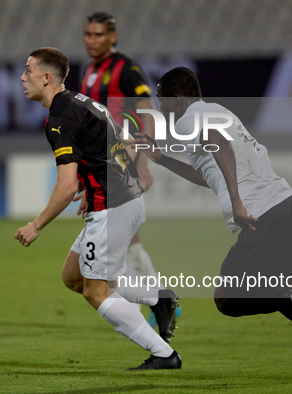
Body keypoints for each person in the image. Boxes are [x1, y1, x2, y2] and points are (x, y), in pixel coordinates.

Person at [133, 67, 292, 381]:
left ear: (177, 98)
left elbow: (219, 144)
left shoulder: (192, 118)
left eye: (162, 99)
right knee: (284, 297)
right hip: (290, 208)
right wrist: (162, 158)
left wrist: (236, 201)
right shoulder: (219, 112)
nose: (160, 107)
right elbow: (210, 174)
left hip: (262, 217)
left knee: (228, 298)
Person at [15, 47, 180, 370]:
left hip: (113, 206)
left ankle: (164, 355)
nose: (23, 77)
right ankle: (158, 298)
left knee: (95, 292)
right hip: (122, 200)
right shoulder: (82, 102)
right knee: (73, 277)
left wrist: (36, 225)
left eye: (28, 70)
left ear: (46, 78)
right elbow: (115, 145)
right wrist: (90, 184)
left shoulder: (60, 118)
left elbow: (64, 187)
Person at [81, 12, 178, 326]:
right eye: (88, 35)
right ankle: (157, 300)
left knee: (123, 237)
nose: (92, 41)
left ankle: (155, 301)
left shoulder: (126, 69)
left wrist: (142, 161)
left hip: (124, 157)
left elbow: (147, 111)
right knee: (127, 239)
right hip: (102, 161)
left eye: (98, 35)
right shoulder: (89, 71)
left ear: (113, 37)